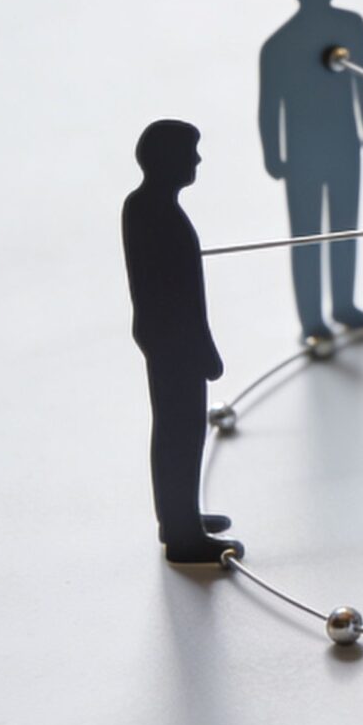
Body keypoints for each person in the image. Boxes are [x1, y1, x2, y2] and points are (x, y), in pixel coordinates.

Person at [122, 120, 240, 565]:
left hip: (169, 341)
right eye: (190, 152)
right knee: (181, 434)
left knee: (178, 432)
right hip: (174, 344)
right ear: (168, 158)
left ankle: (178, 518)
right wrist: (203, 350)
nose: (197, 160)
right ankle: (183, 534)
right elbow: (174, 295)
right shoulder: (156, 213)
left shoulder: (145, 207)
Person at [259, 0, 363, 346]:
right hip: (302, 153)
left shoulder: (350, 25)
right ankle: (312, 321)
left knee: (345, 229)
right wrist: (273, 154)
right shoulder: (277, 45)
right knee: (306, 236)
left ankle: (343, 306)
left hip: (344, 144)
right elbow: (269, 104)